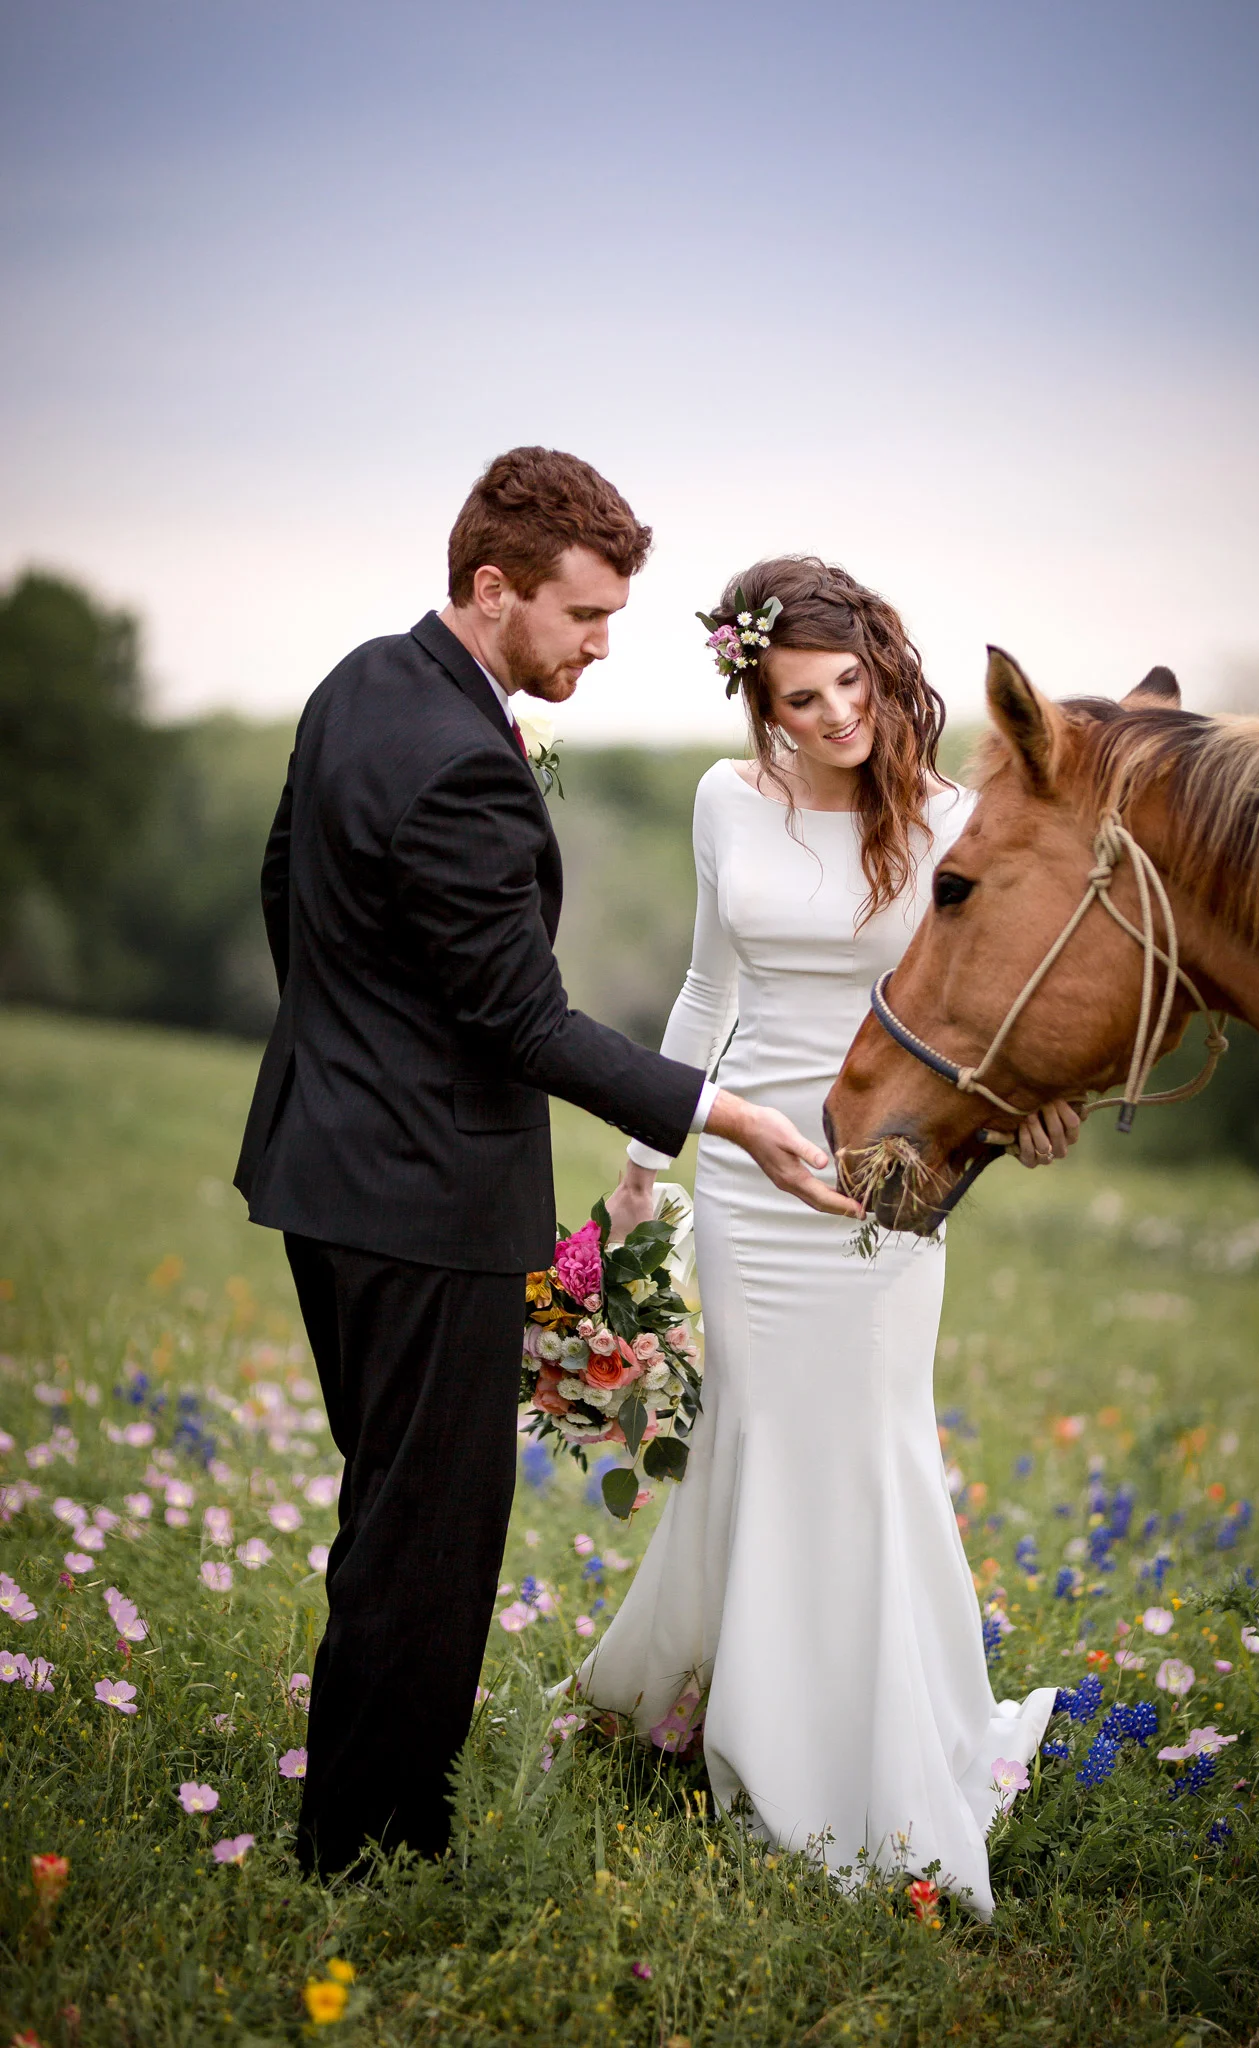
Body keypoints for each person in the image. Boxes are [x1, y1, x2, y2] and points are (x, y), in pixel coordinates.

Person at [233, 453, 860, 1877]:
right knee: (429, 1538)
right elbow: (521, 1019)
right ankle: (368, 1851)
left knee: (389, 1503)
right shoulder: (463, 758)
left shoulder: (359, 686)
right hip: (427, 1199)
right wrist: (729, 1113)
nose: (597, 645)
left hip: (319, 1169)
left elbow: (286, 885)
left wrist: (351, 1049)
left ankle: (359, 1819)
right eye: (581, 618)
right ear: (492, 586)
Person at [579, 557, 1078, 1919]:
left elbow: (1000, 1006)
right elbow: (704, 985)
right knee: (751, 1444)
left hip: (879, 1181)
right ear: (763, 701)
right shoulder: (725, 802)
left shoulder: (950, 819)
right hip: (746, 1176)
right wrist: (642, 1164)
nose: (837, 715)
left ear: (881, 665)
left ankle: (875, 1756)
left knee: (865, 1451)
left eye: (852, 682)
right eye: (802, 698)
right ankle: (737, 1712)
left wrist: (1034, 1108)